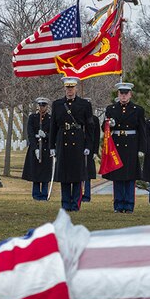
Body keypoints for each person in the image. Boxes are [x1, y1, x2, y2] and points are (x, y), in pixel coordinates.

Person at [49, 76, 93, 211]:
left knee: (77, 174)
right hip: (63, 140)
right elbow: (53, 127)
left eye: (72, 88)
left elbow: (90, 127)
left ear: (76, 88)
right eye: (67, 88)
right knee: (65, 175)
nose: (70, 90)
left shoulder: (84, 105)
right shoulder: (57, 104)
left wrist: (88, 146)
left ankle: (75, 204)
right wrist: (52, 146)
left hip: (78, 140)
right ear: (64, 88)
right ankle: (66, 203)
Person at [102, 82, 148, 213]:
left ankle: (128, 205)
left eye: (126, 94)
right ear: (118, 94)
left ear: (130, 95)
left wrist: (141, 149)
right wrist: (109, 124)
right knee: (117, 177)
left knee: (130, 177)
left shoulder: (138, 110)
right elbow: (103, 128)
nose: (123, 96)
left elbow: (142, 130)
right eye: (121, 93)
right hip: (116, 146)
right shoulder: (111, 109)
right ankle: (118, 204)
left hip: (131, 145)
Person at [22, 97, 53, 201]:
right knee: (35, 173)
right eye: (40, 106)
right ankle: (36, 195)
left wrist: (46, 135)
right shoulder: (33, 118)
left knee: (45, 174)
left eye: (43, 106)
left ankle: (44, 194)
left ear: (47, 107)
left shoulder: (50, 119)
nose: (42, 108)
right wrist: (35, 148)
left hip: (46, 148)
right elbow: (30, 133)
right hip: (35, 147)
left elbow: (53, 133)